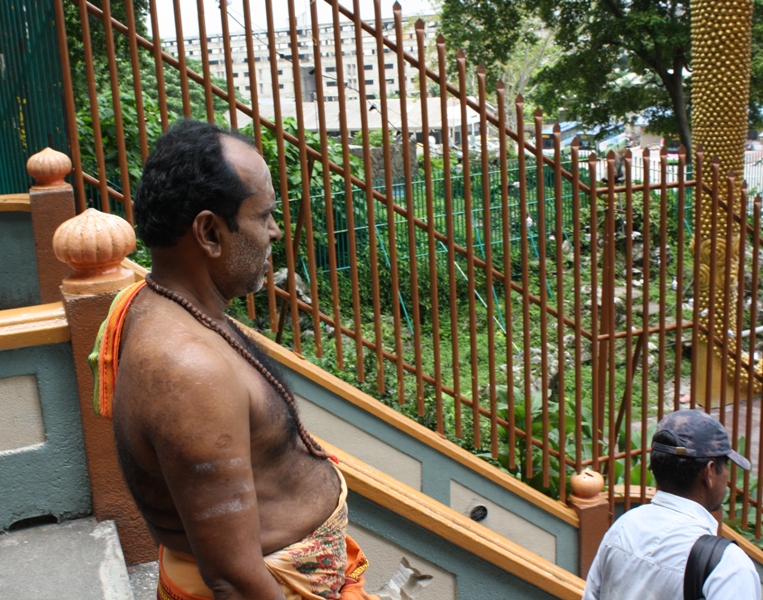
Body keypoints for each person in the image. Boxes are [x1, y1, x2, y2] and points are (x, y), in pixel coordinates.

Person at [89, 119, 377, 600]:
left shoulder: (164, 303)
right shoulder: (187, 371)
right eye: (263, 215)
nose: (275, 231)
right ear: (209, 232)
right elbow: (236, 581)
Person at [583, 409, 761, 600]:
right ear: (709, 472)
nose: (726, 474)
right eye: (725, 464)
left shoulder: (622, 527)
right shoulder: (728, 567)